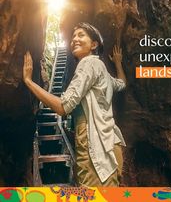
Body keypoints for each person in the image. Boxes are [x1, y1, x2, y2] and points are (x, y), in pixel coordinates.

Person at [23, 22, 127, 186]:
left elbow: (63, 107)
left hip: (96, 152)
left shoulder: (88, 64)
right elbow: (121, 83)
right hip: (111, 147)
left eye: (81, 35)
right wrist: (118, 63)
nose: (74, 39)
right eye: (73, 36)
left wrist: (29, 82)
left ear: (94, 44)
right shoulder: (102, 71)